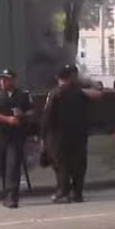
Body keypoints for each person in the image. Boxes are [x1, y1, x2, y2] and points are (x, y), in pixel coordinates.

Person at [41, 64, 93, 203]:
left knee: (61, 163)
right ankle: (77, 193)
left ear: (59, 78)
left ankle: (63, 191)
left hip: (59, 134)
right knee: (78, 164)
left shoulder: (55, 93)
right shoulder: (80, 93)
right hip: (78, 134)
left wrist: (43, 134)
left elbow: (48, 115)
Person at [0, 69, 33, 209]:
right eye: (2, 79)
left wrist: (22, 114)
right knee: (2, 166)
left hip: (16, 135)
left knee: (13, 165)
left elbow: (32, 110)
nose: (3, 81)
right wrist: (7, 119)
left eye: (7, 79)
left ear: (14, 80)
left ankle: (12, 196)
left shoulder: (23, 95)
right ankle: (7, 192)